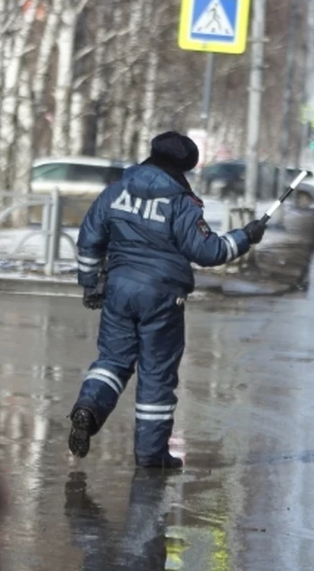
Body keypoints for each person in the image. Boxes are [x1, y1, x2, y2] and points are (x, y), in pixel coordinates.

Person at [67, 132, 267, 469]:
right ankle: (150, 454)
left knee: (112, 361)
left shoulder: (116, 191)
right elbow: (208, 251)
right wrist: (245, 237)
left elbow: (89, 239)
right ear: (183, 167)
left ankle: (88, 407)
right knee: (156, 374)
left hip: (118, 288)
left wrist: (90, 285)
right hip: (162, 296)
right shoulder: (180, 203)